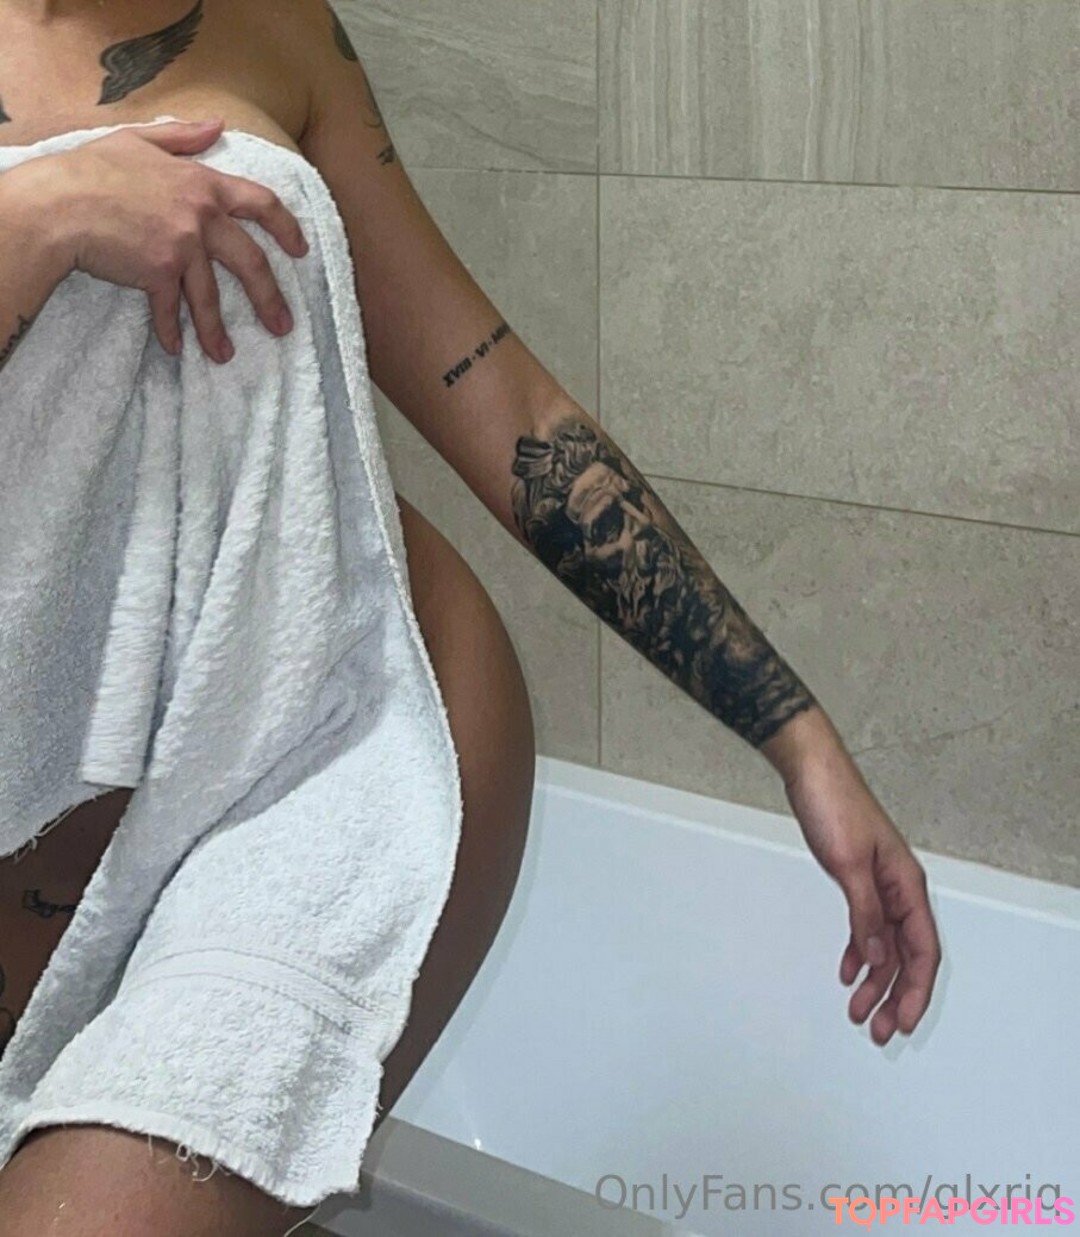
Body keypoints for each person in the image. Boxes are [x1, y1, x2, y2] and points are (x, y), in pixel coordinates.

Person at [0, 0, 942, 1232]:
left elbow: (509, 406)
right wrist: (34, 222)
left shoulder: (282, 28)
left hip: (306, 774)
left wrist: (797, 737)